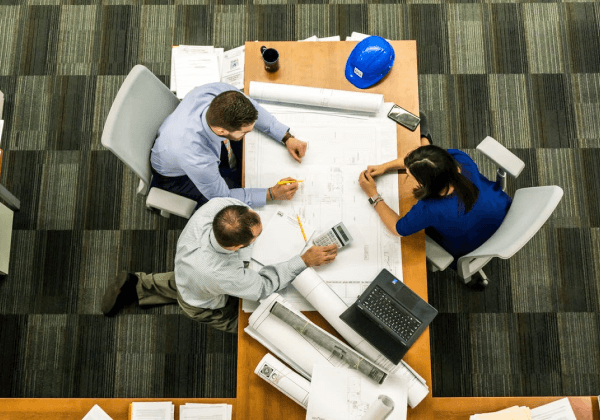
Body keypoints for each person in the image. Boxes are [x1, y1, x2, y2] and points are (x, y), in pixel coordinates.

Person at [101, 197, 338, 332]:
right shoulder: (222, 274)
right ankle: (250, 330)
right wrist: (303, 260)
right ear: (236, 247)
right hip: (201, 300)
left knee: (183, 281)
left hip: (188, 268)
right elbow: (263, 287)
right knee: (245, 322)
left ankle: (137, 284)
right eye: (257, 236)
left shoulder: (219, 207)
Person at [357, 113, 511, 289]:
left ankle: (424, 138)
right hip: (502, 211)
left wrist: (373, 195)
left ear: (424, 183)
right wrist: (385, 167)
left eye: (410, 175)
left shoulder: (430, 208)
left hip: (471, 244)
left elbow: (397, 228)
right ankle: (425, 139)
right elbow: (431, 161)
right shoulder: (461, 160)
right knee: (425, 144)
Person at [150, 82, 308, 208]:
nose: (249, 133)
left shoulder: (219, 93)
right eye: (245, 132)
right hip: (176, 177)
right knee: (232, 203)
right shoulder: (197, 157)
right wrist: (271, 194)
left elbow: (254, 109)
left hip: (181, 139)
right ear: (221, 130)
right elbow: (223, 197)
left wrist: (286, 137)